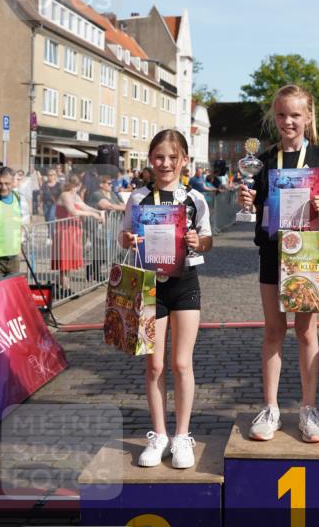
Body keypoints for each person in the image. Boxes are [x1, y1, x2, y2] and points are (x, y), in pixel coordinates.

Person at [238, 84, 319, 443]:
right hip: (272, 251)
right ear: (274, 117)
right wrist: (247, 200)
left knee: (306, 333)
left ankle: (309, 409)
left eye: (295, 115)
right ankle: (270, 408)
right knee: (273, 331)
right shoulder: (264, 161)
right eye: (282, 115)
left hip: (310, 254)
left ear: (308, 117)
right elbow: (255, 207)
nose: (288, 121)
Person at [120, 130, 213, 469]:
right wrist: (129, 238)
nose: (166, 163)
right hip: (149, 285)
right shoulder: (138, 198)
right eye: (159, 157)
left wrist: (197, 241)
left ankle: (182, 436)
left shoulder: (194, 199)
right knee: (155, 364)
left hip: (185, 283)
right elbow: (123, 235)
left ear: (184, 160)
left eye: (173, 157)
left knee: (181, 364)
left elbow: (207, 239)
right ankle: (158, 434)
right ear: (150, 159)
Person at [51, 174, 103, 299]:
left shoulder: (74, 195)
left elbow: (84, 206)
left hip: (72, 230)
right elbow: (72, 211)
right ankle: (66, 288)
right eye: (78, 186)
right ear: (76, 185)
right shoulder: (65, 195)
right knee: (65, 262)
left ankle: (60, 286)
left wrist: (97, 211)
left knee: (68, 262)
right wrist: (92, 214)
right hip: (64, 230)